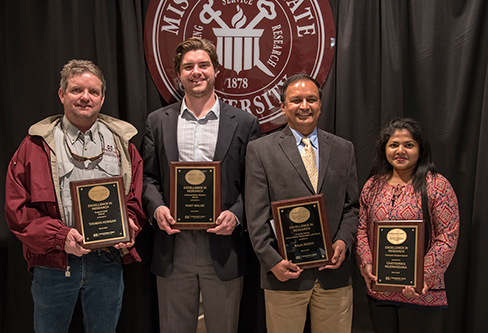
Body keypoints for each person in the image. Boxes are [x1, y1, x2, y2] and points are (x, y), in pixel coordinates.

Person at [5, 59, 146, 333]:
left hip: (107, 261)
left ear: (102, 98)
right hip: (55, 264)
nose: (85, 97)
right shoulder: (35, 146)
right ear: (62, 94)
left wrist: (129, 221)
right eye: (76, 90)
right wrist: (60, 238)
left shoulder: (122, 143)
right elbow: (17, 211)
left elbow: (135, 198)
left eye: (93, 92)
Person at [142, 37, 261, 332]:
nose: (197, 72)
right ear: (178, 74)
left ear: (216, 70)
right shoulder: (157, 121)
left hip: (224, 245)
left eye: (203, 65)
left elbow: (256, 185)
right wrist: (156, 208)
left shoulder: (245, 123)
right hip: (174, 245)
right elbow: (147, 177)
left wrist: (237, 215)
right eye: (188, 66)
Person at [245, 73, 359, 333]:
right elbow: (256, 215)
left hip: (334, 274)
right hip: (285, 275)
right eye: (296, 100)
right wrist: (272, 262)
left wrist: (343, 242)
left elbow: (351, 206)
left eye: (311, 99)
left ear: (320, 104)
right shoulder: (260, 150)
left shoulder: (344, 149)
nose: (304, 106)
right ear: (283, 107)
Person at [354, 118, 460, 333]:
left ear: (420, 150)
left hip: (420, 293)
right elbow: (361, 230)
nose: (400, 151)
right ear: (385, 149)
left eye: (408, 145)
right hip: (380, 292)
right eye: (393, 145)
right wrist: (366, 263)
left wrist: (422, 276)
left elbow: (447, 237)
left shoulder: (437, 185)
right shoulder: (372, 186)